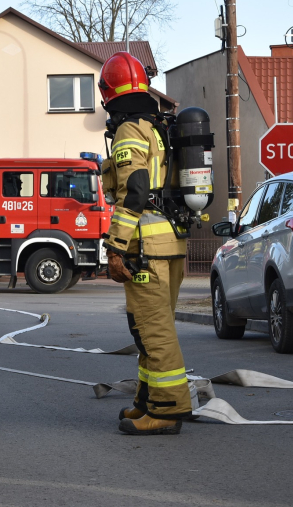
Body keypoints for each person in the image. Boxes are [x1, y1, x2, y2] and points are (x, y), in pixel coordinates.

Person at [99, 52, 191, 435]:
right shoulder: (158, 126)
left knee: (153, 331)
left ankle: (167, 410)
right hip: (170, 243)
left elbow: (134, 191)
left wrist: (115, 247)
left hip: (145, 250)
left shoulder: (129, 130)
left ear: (108, 93)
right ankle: (146, 400)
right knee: (150, 329)